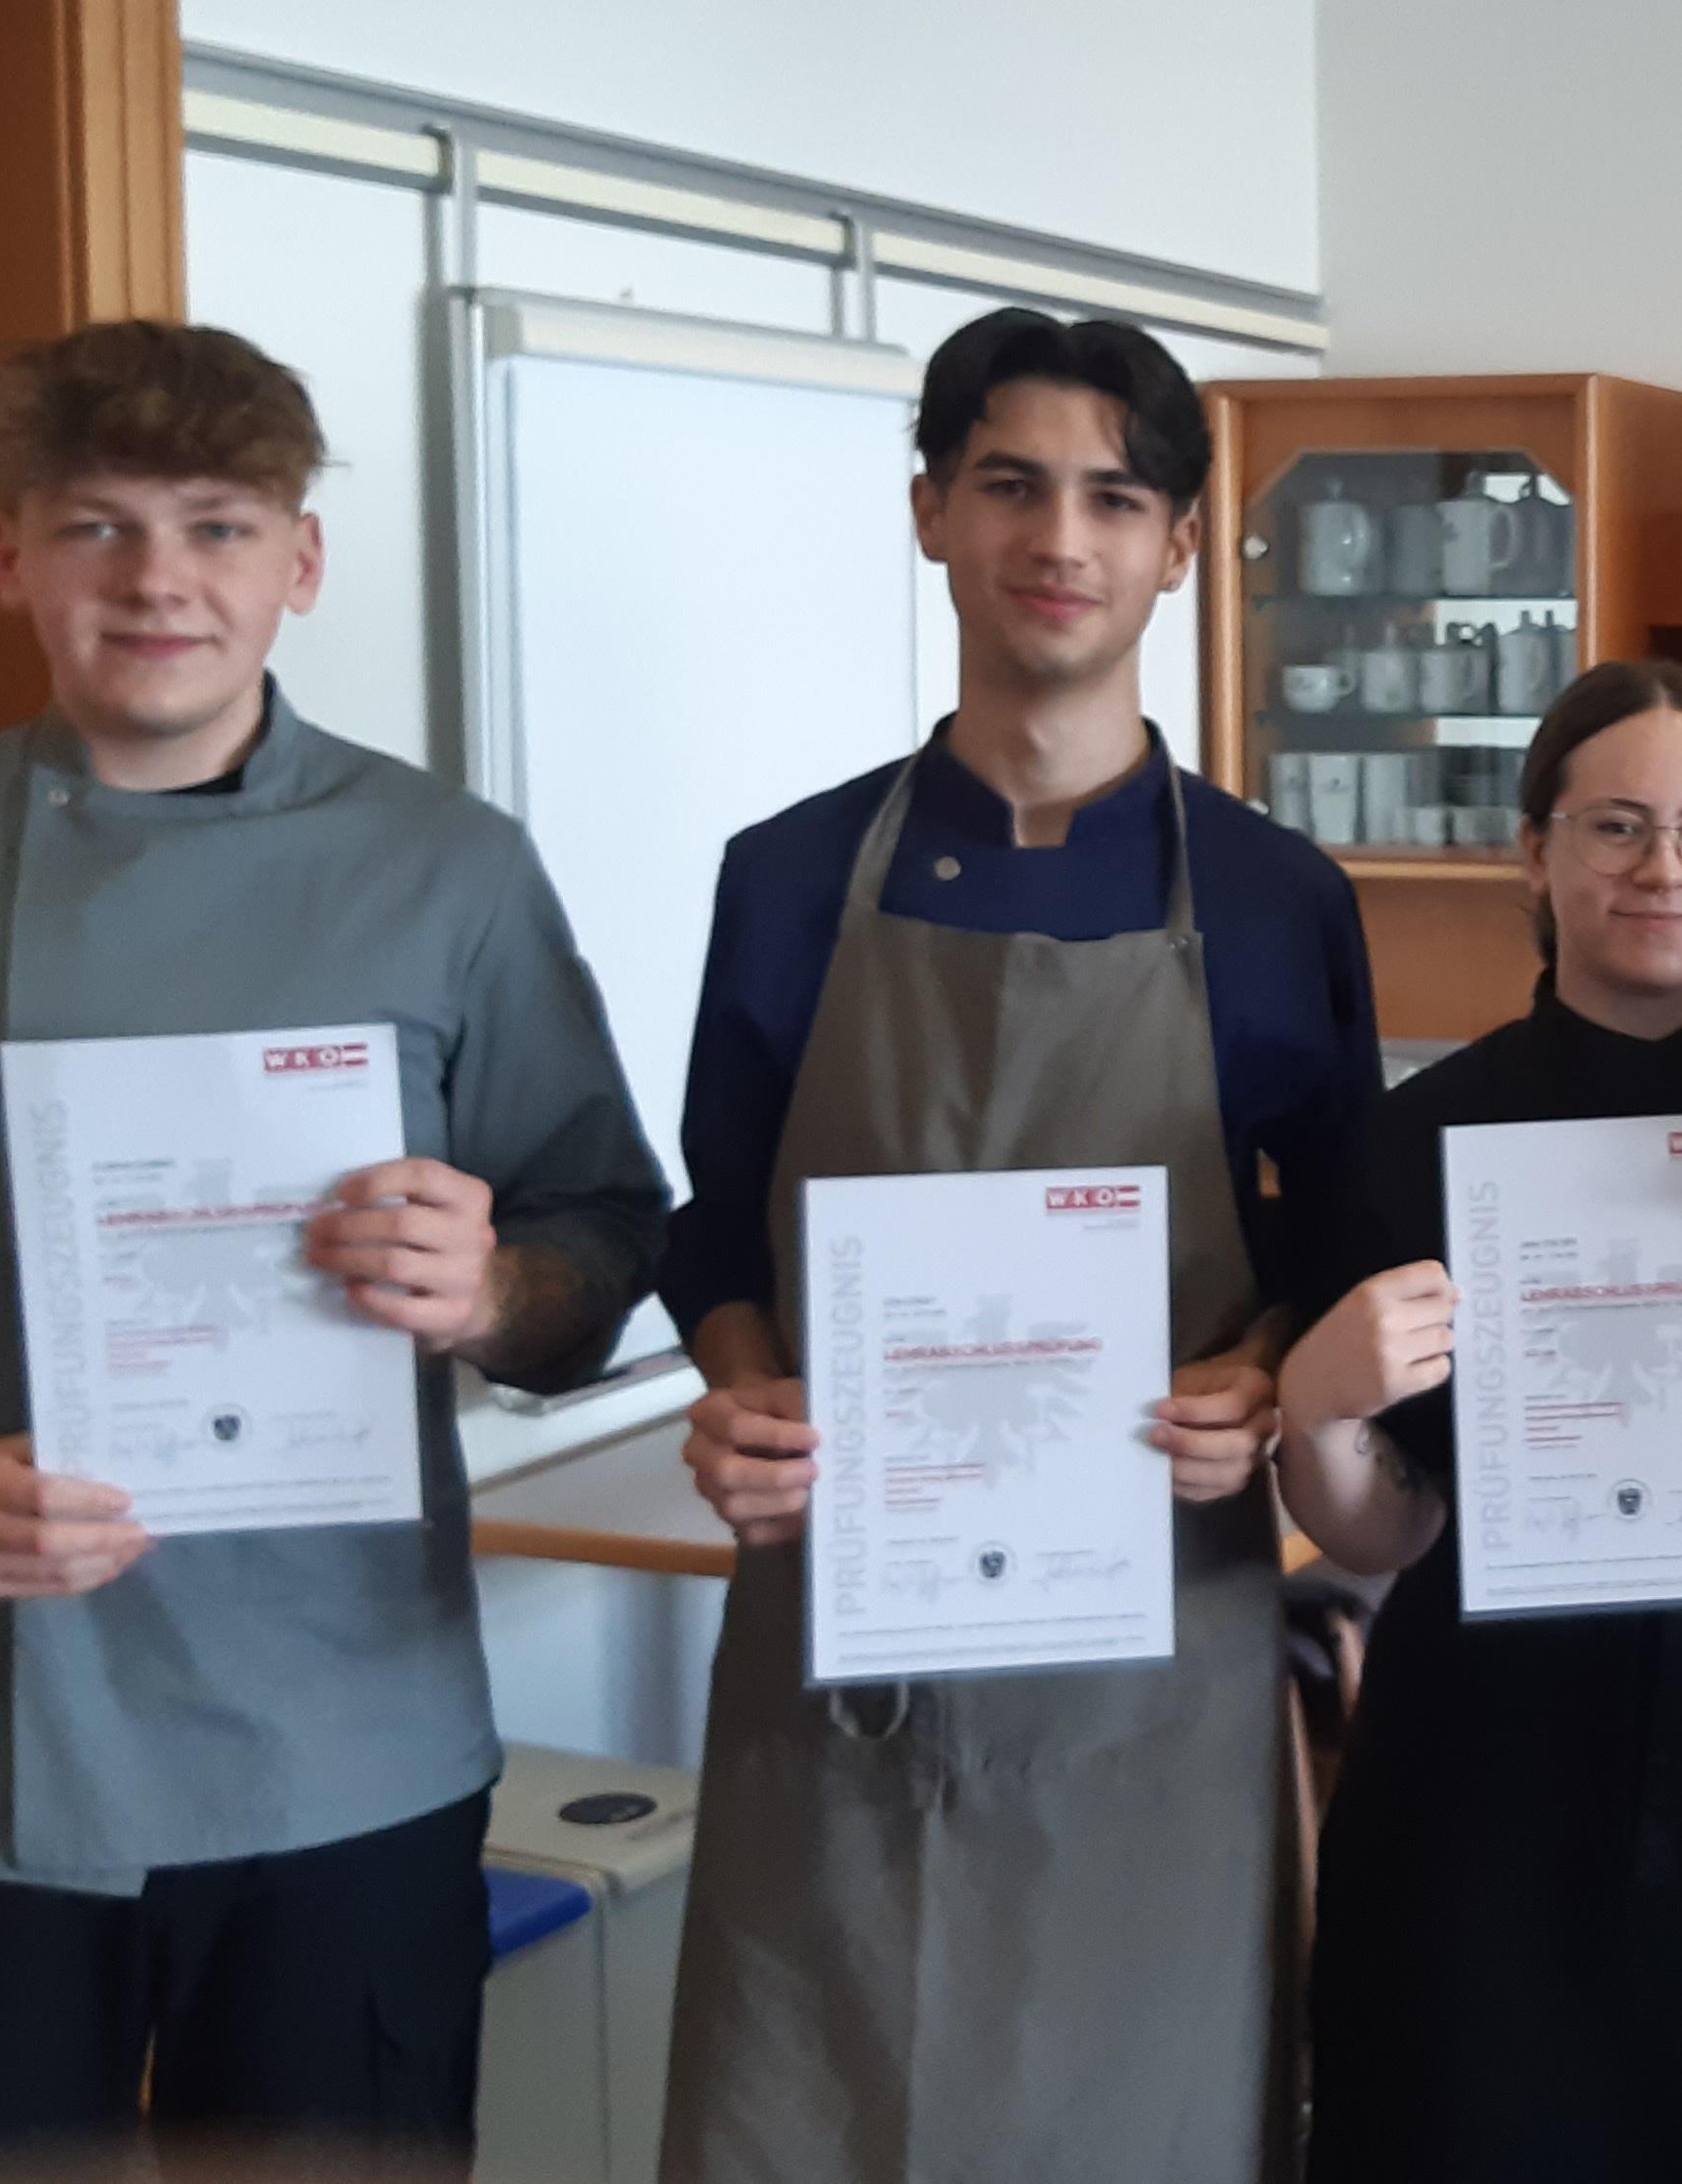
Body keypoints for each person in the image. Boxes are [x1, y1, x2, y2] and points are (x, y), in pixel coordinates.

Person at [0, 321, 671, 2179]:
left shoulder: (449, 867)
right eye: (99, 526)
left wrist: (492, 1288)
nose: (160, 580)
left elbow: (598, 1230)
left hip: (346, 1725)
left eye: (218, 526)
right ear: (9, 556)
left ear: (300, 563)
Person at [655, 306, 1382, 2182]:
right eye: (1010, 485)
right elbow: (715, 1229)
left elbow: (1336, 1253)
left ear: (1181, 545)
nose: (1061, 539)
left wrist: (1259, 1377)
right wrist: (741, 1393)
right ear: (930, 512)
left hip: (1158, 1668)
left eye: (1115, 498)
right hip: (842, 1653)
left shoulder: (1280, 899)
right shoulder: (787, 877)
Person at [1277, 659, 1682, 2183]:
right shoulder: (1420, 1133)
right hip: (1493, 1756)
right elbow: (1389, 1524)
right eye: (1618, 826)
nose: (1666, 869)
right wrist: (1317, 1414)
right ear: (1536, 850)